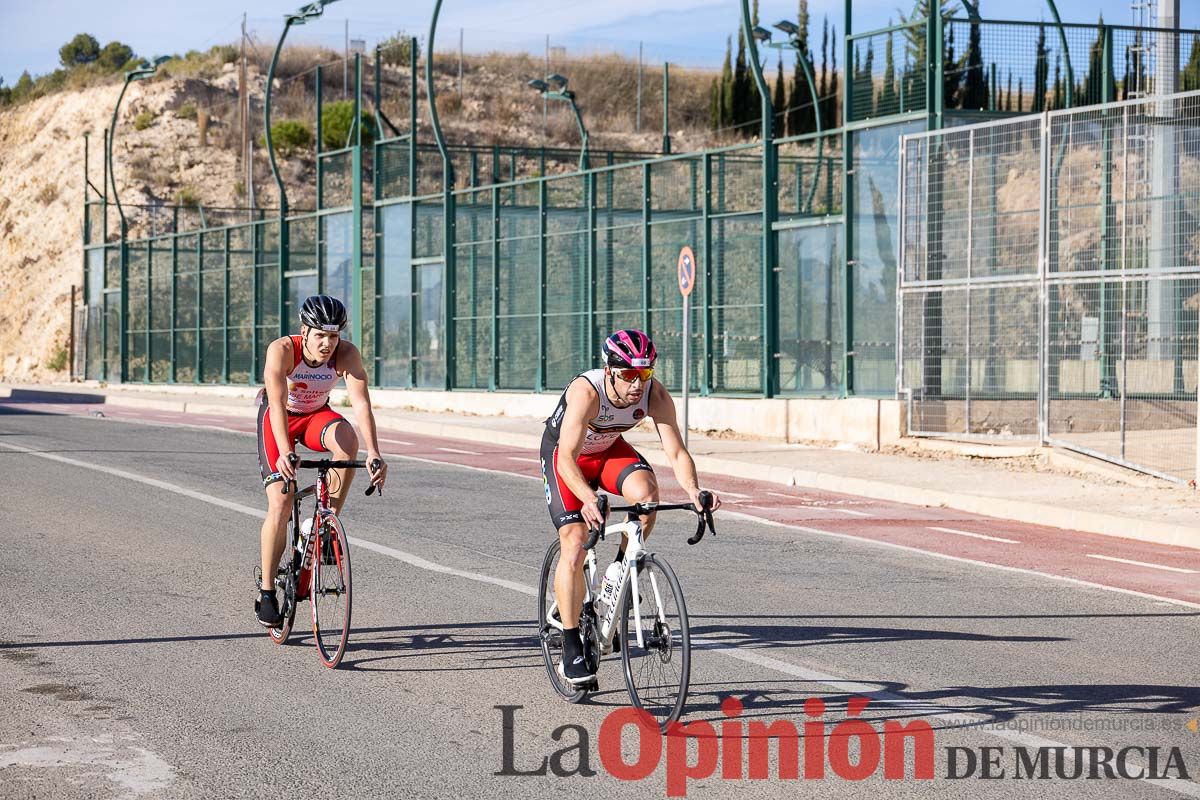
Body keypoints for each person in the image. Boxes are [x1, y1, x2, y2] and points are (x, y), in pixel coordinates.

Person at [540, 328, 722, 684]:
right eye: (628, 375)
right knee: (575, 543)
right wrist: (589, 498)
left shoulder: (654, 394)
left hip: (607, 452)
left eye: (645, 374)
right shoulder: (586, 392)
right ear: (609, 371)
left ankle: (620, 569)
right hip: (566, 459)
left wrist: (694, 491)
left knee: (647, 494)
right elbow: (566, 460)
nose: (637, 384)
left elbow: (676, 451)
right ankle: (571, 644)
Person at [254, 294, 387, 627]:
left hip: (315, 416)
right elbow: (276, 399)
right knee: (281, 502)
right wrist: (286, 452)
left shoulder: (346, 353)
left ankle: (321, 525)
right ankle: (268, 591)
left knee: (348, 442)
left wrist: (374, 452)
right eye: (320, 336)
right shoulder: (282, 350)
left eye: (334, 336)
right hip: (279, 419)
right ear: (304, 331)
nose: (328, 344)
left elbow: (361, 404)